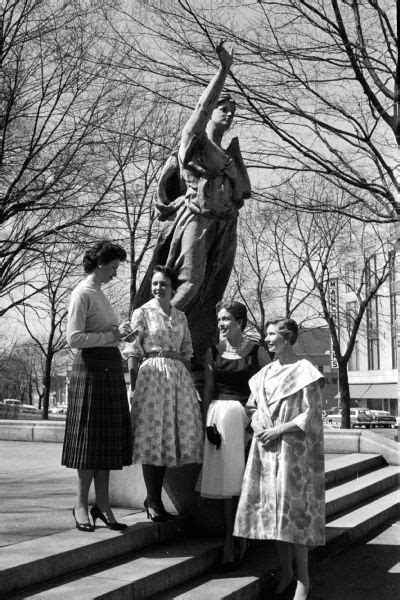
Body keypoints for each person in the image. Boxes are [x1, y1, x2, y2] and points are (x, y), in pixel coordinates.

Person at [133, 42, 251, 364]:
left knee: (210, 287)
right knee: (190, 281)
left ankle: (189, 339)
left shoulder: (230, 153)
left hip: (223, 226)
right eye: (223, 109)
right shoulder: (195, 142)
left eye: (233, 112)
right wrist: (224, 70)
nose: (228, 114)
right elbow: (201, 107)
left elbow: (241, 194)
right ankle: (153, 328)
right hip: (196, 219)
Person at [233, 317, 325, 600]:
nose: (267, 339)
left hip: (292, 453)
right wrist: (259, 425)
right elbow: (252, 406)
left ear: (286, 338)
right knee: (275, 516)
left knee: (293, 517)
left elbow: (310, 414)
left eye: (272, 334)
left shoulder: (305, 371)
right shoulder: (264, 373)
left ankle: (304, 580)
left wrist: (278, 430)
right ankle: (286, 572)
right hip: (266, 450)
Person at [62, 240, 133, 532]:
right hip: (90, 369)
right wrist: (110, 336)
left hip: (108, 368)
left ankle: (103, 506)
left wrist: (120, 335)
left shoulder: (99, 293)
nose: (116, 273)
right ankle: (81, 504)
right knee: (90, 442)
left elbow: (104, 333)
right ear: (101, 263)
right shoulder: (82, 293)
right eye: (114, 267)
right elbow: (74, 339)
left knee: (105, 442)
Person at [122, 265, 203, 521]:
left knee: (167, 437)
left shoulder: (180, 316)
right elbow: (133, 349)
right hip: (152, 376)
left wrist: (189, 384)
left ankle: (154, 498)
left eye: (163, 284)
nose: (158, 288)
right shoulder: (142, 312)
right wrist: (134, 384)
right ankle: (153, 500)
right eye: (155, 284)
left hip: (177, 377)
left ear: (173, 288)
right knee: (152, 437)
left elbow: (187, 350)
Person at [199, 300, 269, 567]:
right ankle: (231, 538)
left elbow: (267, 388)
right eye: (219, 319)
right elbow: (208, 390)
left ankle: (244, 536)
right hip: (220, 420)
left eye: (226, 319)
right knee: (228, 484)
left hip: (247, 421)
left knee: (245, 481)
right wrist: (208, 423)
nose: (221, 324)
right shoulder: (213, 352)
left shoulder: (256, 352)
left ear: (240, 322)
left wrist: (256, 420)